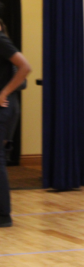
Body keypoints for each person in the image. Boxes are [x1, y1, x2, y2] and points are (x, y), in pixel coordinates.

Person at [0, 26, 31, 228]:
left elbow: (25, 68)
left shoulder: (1, 40)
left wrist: (4, 93)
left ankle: (4, 215)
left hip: (4, 108)